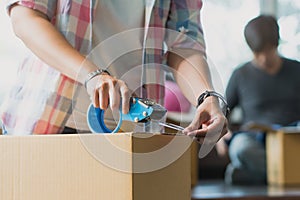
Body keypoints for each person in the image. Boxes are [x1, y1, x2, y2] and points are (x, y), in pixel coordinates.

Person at [1, 0, 228, 143]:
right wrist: (92, 75)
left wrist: (206, 96)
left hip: (134, 135)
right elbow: (26, 17)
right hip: (49, 123)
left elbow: (184, 44)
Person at [223, 15, 300, 185]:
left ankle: (248, 174)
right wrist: (221, 134)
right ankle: (289, 174)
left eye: (269, 50)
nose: (264, 58)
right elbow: (222, 111)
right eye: (258, 53)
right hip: (254, 141)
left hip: (290, 140)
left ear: (277, 44)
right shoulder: (240, 75)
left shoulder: (296, 70)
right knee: (241, 148)